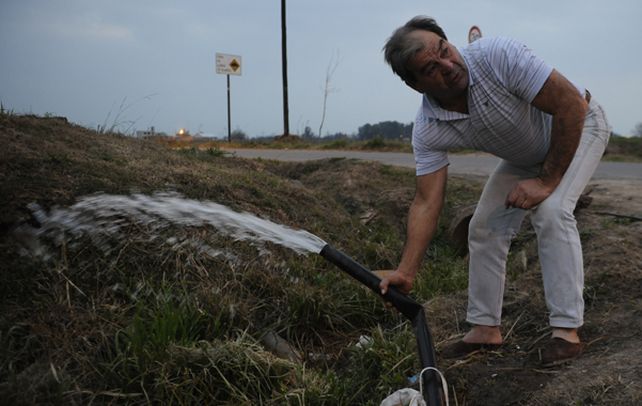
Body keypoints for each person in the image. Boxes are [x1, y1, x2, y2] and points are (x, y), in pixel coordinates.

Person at [379, 16, 610, 366]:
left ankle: (566, 332)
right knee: (484, 227)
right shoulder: (428, 128)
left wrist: (547, 182)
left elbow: (569, 104)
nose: (448, 65)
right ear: (416, 85)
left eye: (445, 50)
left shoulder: (497, 56)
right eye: (431, 68)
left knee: (551, 211)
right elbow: (427, 201)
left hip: (579, 125)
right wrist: (406, 272)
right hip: (526, 156)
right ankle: (485, 329)